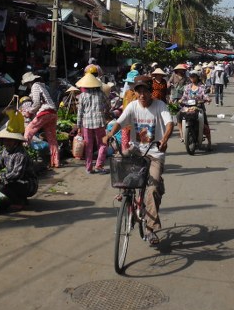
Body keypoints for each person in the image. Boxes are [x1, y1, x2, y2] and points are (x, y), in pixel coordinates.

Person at [103, 75, 174, 246]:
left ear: (151, 92)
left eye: (145, 91)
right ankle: (124, 194)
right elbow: (119, 122)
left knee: (153, 187)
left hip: (154, 152)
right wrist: (110, 134)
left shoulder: (160, 105)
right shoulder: (133, 106)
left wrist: (164, 140)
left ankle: (150, 230)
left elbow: (169, 123)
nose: (142, 95)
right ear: (135, 93)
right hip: (136, 149)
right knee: (118, 159)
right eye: (139, 91)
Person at [21, 71, 60, 169]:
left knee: (28, 130)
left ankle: (24, 158)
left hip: (45, 112)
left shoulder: (35, 86)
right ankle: (55, 162)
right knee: (52, 139)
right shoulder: (42, 85)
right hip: (53, 112)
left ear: (28, 82)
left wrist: (29, 112)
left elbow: (37, 103)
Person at [0, 129, 38, 211]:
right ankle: (21, 199)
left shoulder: (20, 155)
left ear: (16, 141)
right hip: (16, 182)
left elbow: (16, 174)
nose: (6, 142)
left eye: (10, 140)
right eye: (5, 140)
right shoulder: (6, 151)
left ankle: (18, 202)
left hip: (28, 184)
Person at [75, 72, 110, 174]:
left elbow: (80, 112)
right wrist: (104, 110)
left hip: (86, 124)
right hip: (99, 122)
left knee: (88, 146)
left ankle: (89, 168)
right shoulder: (101, 94)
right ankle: (99, 165)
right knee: (102, 144)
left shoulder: (82, 96)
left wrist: (78, 126)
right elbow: (108, 106)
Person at [179, 69, 212, 149]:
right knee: (179, 115)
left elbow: (205, 95)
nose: (192, 78)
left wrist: (207, 99)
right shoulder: (187, 87)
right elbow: (184, 96)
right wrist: (181, 100)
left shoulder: (201, 87)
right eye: (191, 76)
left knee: (205, 125)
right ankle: (182, 135)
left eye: (194, 76)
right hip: (188, 107)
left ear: (197, 77)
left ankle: (209, 143)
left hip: (199, 107)